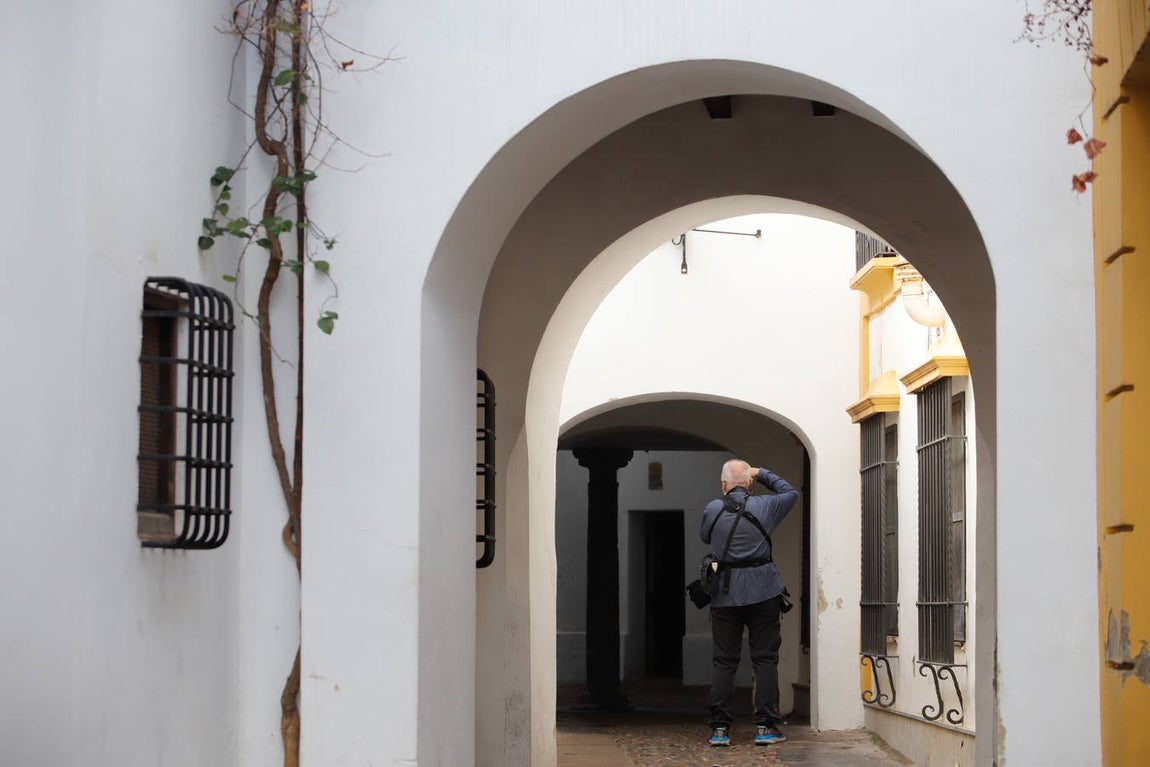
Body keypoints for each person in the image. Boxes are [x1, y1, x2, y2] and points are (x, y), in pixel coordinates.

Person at [700, 458, 799, 748]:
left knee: (724, 661)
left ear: (724, 485)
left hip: (725, 593)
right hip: (764, 591)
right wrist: (762, 472)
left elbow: (704, 536)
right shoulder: (766, 506)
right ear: (750, 483)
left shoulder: (713, 509)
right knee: (765, 659)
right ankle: (765, 727)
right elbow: (790, 492)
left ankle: (720, 729)